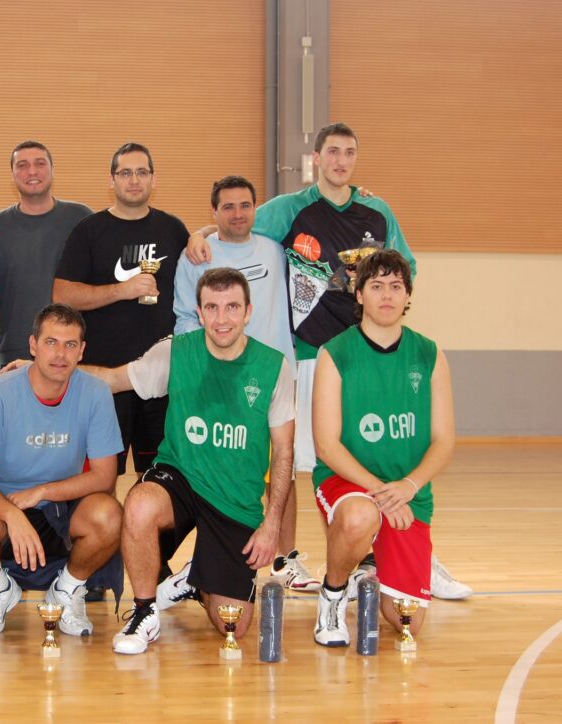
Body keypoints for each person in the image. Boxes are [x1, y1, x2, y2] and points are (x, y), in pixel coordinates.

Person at [185, 123, 470, 600]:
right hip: (312, 354)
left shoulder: (378, 210)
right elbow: (238, 226)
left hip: (372, 358)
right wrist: (199, 231)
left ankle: (407, 552)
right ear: (317, 158)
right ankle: (293, 559)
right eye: (332, 152)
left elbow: (406, 269)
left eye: (349, 152)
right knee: (306, 461)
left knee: (380, 449)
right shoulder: (291, 208)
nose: (341, 160)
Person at [82, 268, 295, 655]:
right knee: (141, 503)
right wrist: (45, 371)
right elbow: (112, 379)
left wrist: (272, 523)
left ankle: (197, 580)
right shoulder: (176, 351)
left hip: (235, 499)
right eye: (212, 307)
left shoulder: (273, 367)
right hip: (180, 478)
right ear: (198, 312)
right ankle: (144, 611)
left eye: (232, 307)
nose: (222, 318)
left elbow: (284, 453)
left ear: (248, 312)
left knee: (234, 621)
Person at [172, 177, 315, 592]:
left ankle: (285, 560)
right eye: (228, 206)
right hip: (218, 379)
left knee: (281, 471)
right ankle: (202, 561)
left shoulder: (273, 249)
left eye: (246, 205)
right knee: (217, 467)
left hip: (272, 378)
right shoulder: (196, 256)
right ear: (213, 212)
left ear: (256, 209)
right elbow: (185, 318)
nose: (238, 213)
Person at [0, 304, 123, 637]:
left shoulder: (96, 394)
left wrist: (42, 492)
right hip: (3, 504)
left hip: (62, 506)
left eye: (71, 344)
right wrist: (12, 515)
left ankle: (68, 589)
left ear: (82, 350)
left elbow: (104, 477)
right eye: (51, 342)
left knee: (109, 513)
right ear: (32, 345)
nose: (60, 354)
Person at [311, 249, 455, 646]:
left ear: (408, 296)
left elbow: (444, 441)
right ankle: (333, 594)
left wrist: (408, 487)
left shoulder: (429, 354)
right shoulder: (334, 353)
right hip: (350, 481)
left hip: (406, 491)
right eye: (376, 286)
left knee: (406, 620)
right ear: (359, 295)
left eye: (396, 286)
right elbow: (326, 446)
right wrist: (381, 493)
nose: (387, 295)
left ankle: (368, 566)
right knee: (359, 517)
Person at [53, 141, 188, 490]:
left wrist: (202, 235)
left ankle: (148, 545)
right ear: (111, 180)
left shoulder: (173, 230)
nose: (134, 180)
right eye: (125, 173)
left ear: (153, 180)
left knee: (158, 480)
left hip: (161, 378)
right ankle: (106, 545)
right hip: (104, 378)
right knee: (101, 479)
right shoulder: (90, 230)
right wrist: (121, 289)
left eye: (141, 172)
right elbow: (62, 295)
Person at [0, 140, 92, 366]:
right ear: (12, 174)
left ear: (53, 170)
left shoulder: (81, 218)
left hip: (71, 351)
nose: (32, 171)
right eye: (22, 165)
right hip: (15, 351)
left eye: (40, 163)